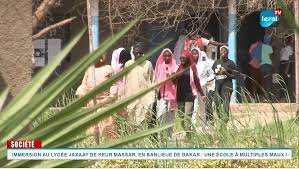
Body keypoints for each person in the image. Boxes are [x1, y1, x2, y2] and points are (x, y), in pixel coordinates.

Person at [75, 53, 118, 144]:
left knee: (108, 131)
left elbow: (113, 85)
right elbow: (83, 86)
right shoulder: (90, 70)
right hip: (91, 106)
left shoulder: (108, 68)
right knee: (91, 133)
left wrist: (109, 98)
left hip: (105, 105)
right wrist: (85, 98)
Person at [122, 42, 155, 127]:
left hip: (144, 98)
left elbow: (152, 80)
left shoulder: (148, 64)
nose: (139, 55)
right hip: (131, 97)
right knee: (130, 120)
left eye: (140, 53)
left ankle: (142, 139)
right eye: (137, 53)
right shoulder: (128, 64)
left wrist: (153, 94)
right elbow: (124, 80)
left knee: (142, 120)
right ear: (133, 53)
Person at [175, 50, 206, 139]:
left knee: (187, 116)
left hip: (189, 95)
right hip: (179, 95)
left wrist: (202, 94)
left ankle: (189, 137)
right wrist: (173, 76)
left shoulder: (192, 68)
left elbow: (197, 82)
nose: (182, 60)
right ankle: (192, 133)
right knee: (181, 118)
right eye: (181, 58)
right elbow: (174, 82)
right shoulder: (179, 68)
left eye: (184, 58)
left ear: (188, 58)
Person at [154, 48, 178, 138]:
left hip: (172, 95)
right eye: (165, 56)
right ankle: (161, 132)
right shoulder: (160, 66)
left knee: (170, 115)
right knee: (161, 113)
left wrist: (172, 77)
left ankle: (169, 134)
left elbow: (177, 81)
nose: (167, 57)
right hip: (162, 94)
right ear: (163, 56)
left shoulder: (175, 66)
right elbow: (156, 79)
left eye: (169, 56)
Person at [212, 46, 236, 128]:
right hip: (218, 87)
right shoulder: (216, 63)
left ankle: (224, 123)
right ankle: (221, 119)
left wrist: (226, 73)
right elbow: (213, 74)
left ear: (228, 52)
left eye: (225, 51)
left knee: (225, 105)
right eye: (222, 51)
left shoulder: (231, 63)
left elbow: (235, 76)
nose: (223, 52)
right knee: (216, 104)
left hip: (227, 87)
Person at [191, 48, 215, 129]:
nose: (194, 55)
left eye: (196, 53)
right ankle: (192, 125)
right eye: (193, 53)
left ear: (199, 54)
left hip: (202, 87)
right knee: (193, 106)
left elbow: (212, 75)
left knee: (202, 106)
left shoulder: (204, 64)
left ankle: (203, 125)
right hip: (192, 88)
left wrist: (205, 80)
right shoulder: (189, 64)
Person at [279, 36, 294, 101]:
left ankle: (284, 98)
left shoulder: (289, 48)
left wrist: (287, 69)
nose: (284, 40)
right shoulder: (283, 48)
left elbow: (290, 59)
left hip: (286, 64)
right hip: (282, 64)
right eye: (283, 39)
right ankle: (282, 97)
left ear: (288, 40)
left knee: (285, 82)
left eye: (285, 39)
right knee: (281, 81)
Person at [260, 35, 274, 101]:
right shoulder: (269, 47)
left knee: (264, 82)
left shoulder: (262, 47)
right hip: (268, 65)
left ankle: (264, 97)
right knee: (268, 82)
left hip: (262, 66)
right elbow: (270, 56)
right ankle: (268, 98)